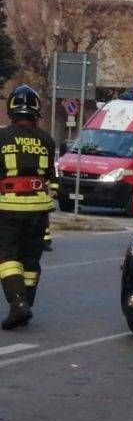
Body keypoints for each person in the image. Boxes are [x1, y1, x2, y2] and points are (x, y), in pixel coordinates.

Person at [0, 85, 57, 329]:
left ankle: (18, 304)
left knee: (8, 257)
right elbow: (53, 181)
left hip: (8, 206)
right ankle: (26, 305)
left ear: (11, 109)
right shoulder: (47, 140)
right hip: (39, 209)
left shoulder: (2, 137)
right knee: (31, 259)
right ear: (36, 110)